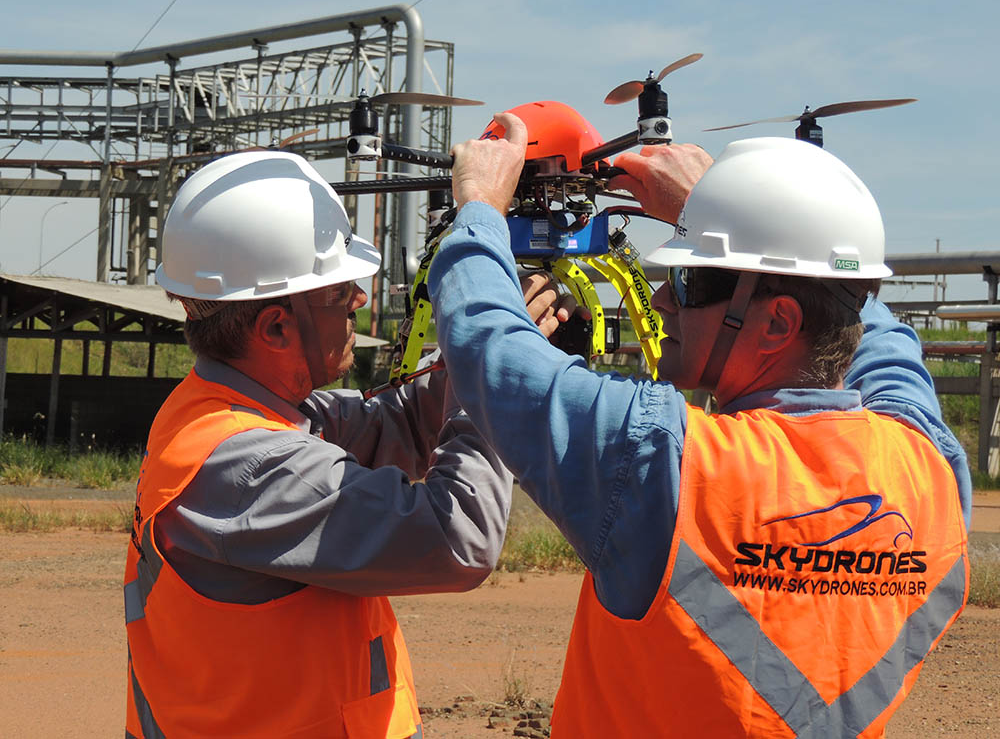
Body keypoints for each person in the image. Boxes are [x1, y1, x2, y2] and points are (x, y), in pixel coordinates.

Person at [428, 113, 971, 737]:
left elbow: (488, 349)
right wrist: (732, 212)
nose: (662, 300)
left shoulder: (666, 461)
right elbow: (878, 335)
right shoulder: (927, 465)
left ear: (776, 324)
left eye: (689, 280)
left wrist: (479, 211)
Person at [122, 150, 566, 739]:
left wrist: (470, 344)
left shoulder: (223, 412)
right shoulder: (248, 465)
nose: (360, 299)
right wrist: (491, 363)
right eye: (339, 292)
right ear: (276, 327)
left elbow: (397, 424)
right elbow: (460, 538)